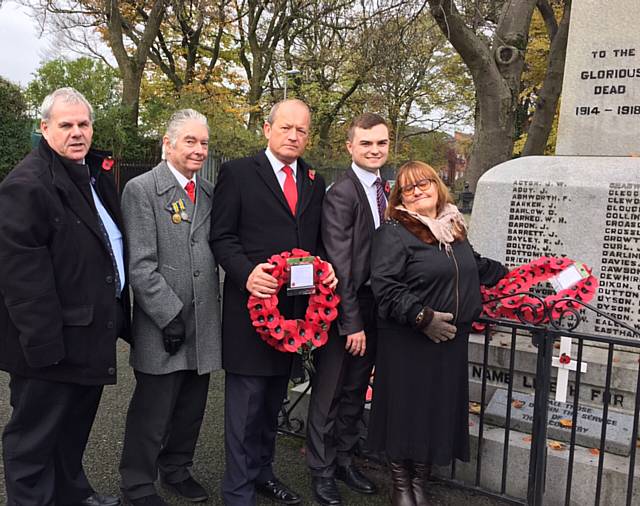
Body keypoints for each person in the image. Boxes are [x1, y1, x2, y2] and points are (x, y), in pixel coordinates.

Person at [0, 87, 129, 506]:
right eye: (66, 125)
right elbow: (23, 279)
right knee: (32, 442)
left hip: (88, 333)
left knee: (71, 432)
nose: (77, 133)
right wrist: (44, 348)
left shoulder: (90, 173)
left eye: (83, 124)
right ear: (44, 128)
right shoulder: (27, 185)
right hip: (51, 345)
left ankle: (73, 495)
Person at [210, 99, 336, 506]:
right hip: (251, 312)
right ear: (267, 129)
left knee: (271, 406)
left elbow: (314, 242)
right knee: (244, 411)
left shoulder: (314, 180)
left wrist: (327, 269)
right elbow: (222, 237)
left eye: (301, 130)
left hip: (294, 316)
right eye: (286, 128)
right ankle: (238, 491)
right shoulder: (238, 173)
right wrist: (246, 274)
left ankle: (263, 474)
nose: (293, 136)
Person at [368, 161, 506, 506]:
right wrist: (422, 316)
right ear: (400, 196)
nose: (417, 191)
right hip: (411, 339)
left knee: (435, 412)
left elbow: (473, 265)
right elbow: (385, 286)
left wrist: (514, 275)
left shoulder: (453, 228)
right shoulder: (394, 231)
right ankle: (401, 483)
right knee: (407, 411)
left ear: (437, 185)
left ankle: (421, 481)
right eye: (408, 188)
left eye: (423, 183)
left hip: (450, 342)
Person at [118, 109, 222, 506]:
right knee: (152, 410)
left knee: (191, 409)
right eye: (190, 141)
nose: (198, 150)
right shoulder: (143, 189)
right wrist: (168, 313)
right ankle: (137, 484)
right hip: (164, 322)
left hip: (204, 320)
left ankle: (177, 469)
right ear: (168, 143)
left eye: (204, 143)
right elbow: (140, 265)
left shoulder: (209, 192)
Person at [306, 113, 390, 505]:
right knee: (330, 391)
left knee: (356, 390)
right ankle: (320, 470)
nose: (374, 150)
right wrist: (350, 322)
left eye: (381, 143)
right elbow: (340, 263)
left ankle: (343, 459)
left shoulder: (384, 190)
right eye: (366, 143)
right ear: (350, 147)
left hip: (376, 306)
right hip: (347, 308)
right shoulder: (342, 192)